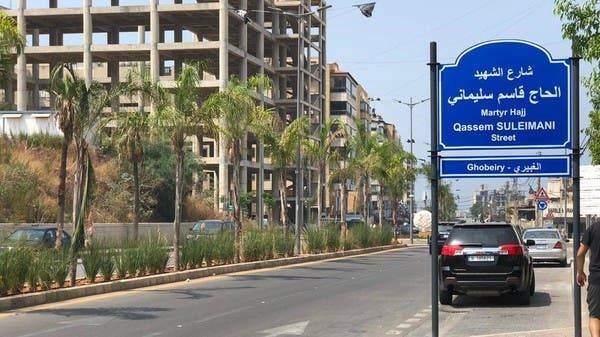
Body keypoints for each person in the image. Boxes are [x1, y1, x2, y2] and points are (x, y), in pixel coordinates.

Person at [576, 221, 600, 337]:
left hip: (597, 279)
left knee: (595, 316)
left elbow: (580, 254)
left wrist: (580, 272)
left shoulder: (593, 228)